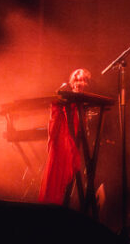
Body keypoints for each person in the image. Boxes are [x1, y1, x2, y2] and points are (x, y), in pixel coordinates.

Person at [38, 68, 91, 205]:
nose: (79, 83)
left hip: (75, 139)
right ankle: (52, 203)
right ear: (72, 83)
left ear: (86, 84)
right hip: (64, 139)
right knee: (57, 170)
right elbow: (55, 115)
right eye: (77, 80)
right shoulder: (66, 99)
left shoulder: (87, 102)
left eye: (83, 80)